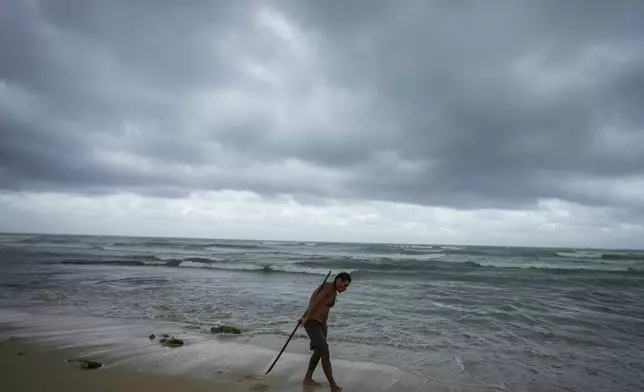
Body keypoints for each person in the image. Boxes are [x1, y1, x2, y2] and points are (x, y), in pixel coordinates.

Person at [299, 272, 352, 392]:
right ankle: (332, 385)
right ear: (338, 280)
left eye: (346, 286)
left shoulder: (332, 290)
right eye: (344, 285)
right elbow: (315, 301)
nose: (345, 288)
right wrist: (306, 317)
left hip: (322, 325)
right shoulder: (328, 287)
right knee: (325, 352)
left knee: (318, 352)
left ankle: (308, 378)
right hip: (312, 323)